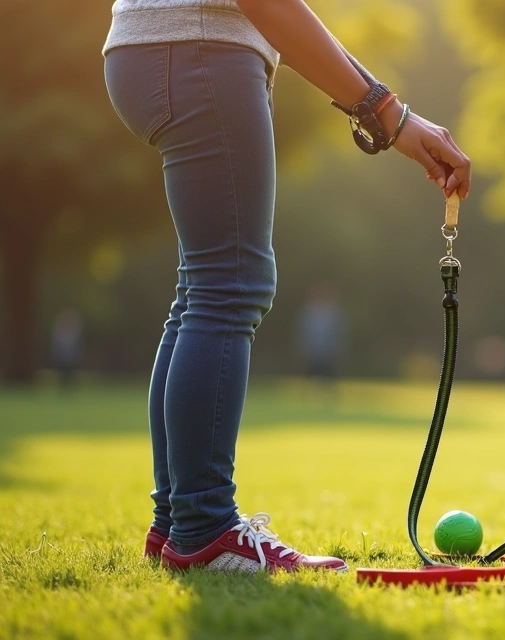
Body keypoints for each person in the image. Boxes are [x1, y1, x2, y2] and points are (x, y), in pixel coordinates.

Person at [102, 0, 471, 573]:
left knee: (203, 289)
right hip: (198, 51)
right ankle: (204, 528)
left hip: (153, 49)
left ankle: (178, 523)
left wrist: (390, 112)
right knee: (229, 288)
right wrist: (388, 113)